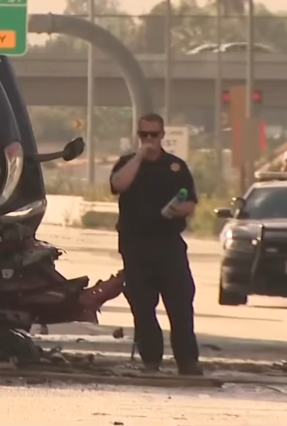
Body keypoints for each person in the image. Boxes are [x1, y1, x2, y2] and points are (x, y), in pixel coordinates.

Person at [110, 113, 203, 376]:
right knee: (142, 305)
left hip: (168, 244)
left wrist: (180, 209)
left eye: (154, 134)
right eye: (144, 135)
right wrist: (139, 157)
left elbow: (192, 203)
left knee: (181, 304)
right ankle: (151, 359)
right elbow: (118, 184)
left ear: (162, 135)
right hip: (136, 245)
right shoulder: (127, 163)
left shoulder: (175, 166)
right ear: (138, 136)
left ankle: (187, 361)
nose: (149, 140)